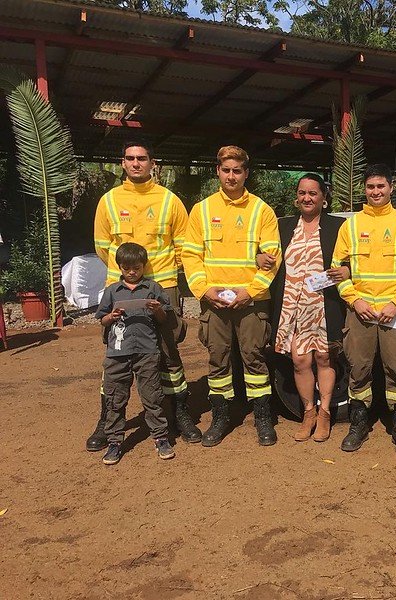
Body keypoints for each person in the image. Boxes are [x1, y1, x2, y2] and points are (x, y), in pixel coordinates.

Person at [90, 140, 200, 452]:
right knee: (116, 355)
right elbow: (102, 247)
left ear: (152, 163)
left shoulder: (169, 200)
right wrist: (126, 281)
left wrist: (163, 279)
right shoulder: (108, 201)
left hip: (162, 287)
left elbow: (184, 246)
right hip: (120, 292)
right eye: (130, 158)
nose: (136, 163)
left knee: (168, 353)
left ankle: (179, 413)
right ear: (122, 163)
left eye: (142, 158)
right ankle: (107, 420)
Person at [182, 145, 282, 447]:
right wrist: (204, 290)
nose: (231, 176)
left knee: (254, 359)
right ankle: (220, 417)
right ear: (218, 171)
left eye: (237, 170)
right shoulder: (202, 210)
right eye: (226, 170)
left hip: (250, 303)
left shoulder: (262, 210)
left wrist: (248, 292)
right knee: (218, 361)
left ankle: (263, 417)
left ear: (245, 173)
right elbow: (191, 255)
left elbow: (272, 256)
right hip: (214, 301)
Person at [332, 164, 396, 454]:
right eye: (371, 187)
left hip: (394, 313)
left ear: (391, 188)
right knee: (358, 370)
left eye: (381, 187)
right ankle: (358, 424)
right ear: (365, 189)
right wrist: (354, 300)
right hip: (359, 310)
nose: (376, 192)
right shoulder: (351, 225)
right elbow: (338, 269)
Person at [259, 174, 349, 442]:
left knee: (324, 358)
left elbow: (353, 259)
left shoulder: (337, 226)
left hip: (323, 304)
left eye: (313, 193)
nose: (307, 198)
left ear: (323, 197)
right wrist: (258, 257)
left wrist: (347, 270)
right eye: (302, 193)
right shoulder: (283, 226)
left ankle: (324, 414)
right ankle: (308, 412)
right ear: (296, 198)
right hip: (291, 304)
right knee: (299, 360)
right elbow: (264, 251)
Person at [95, 242, 176, 465]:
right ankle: (114, 442)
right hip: (117, 353)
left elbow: (163, 320)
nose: (132, 272)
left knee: (152, 396)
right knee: (115, 397)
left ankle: (160, 438)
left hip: (147, 351)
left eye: (137, 268)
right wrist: (112, 316)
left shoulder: (153, 288)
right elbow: (102, 319)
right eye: (127, 268)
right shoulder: (112, 291)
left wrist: (157, 309)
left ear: (144, 266)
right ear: (120, 267)